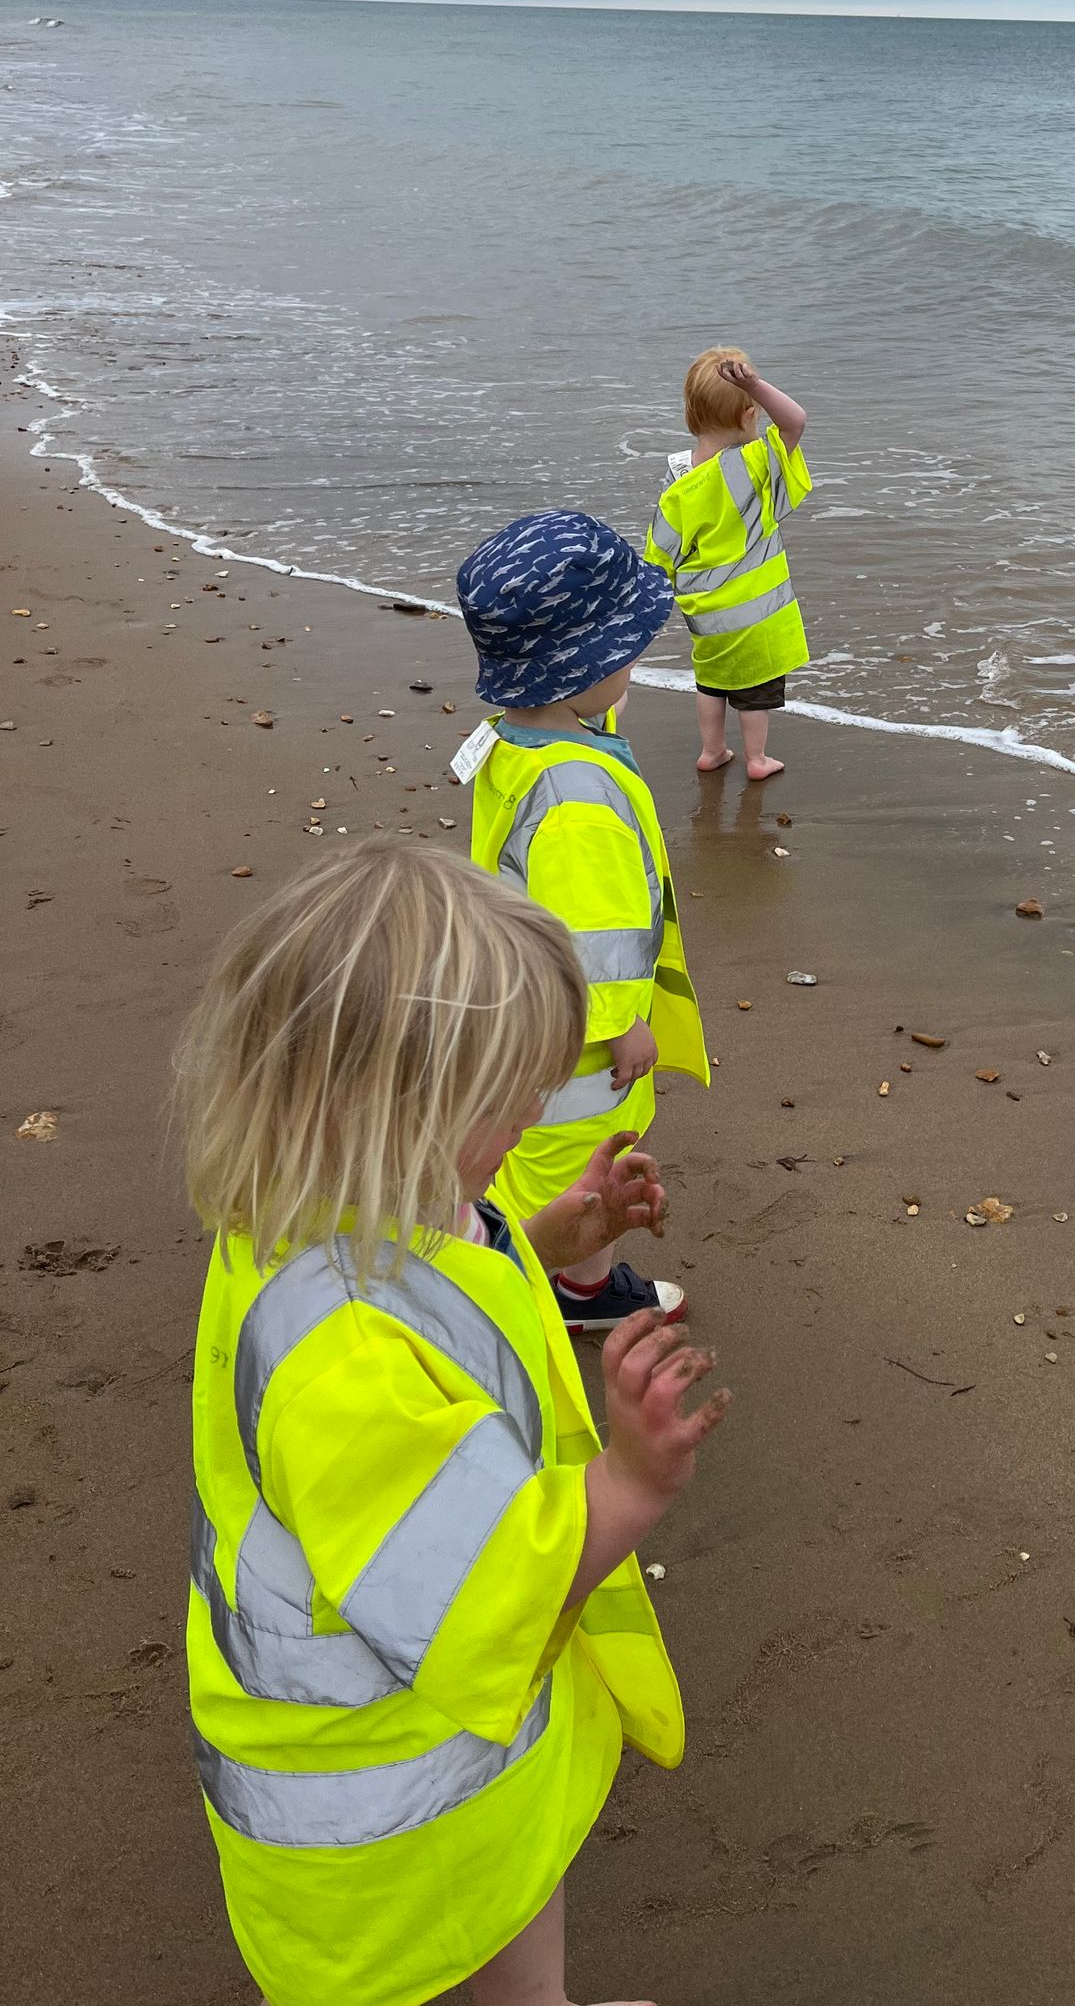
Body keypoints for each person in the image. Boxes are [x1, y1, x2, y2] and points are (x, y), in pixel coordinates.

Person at [180, 839, 730, 2006]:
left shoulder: (356, 1202)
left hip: (442, 1753)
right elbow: (483, 1584)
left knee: (514, 1909)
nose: (538, 1106)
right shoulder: (339, 1361)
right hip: (389, 1801)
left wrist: (555, 1242)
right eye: (510, 1091)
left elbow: (439, 1297)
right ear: (394, 1113)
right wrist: (629, 1484)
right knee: (464, 1943)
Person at [455, 508, 708, 1330]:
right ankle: (563, 1295)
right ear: (581, 669)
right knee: (584, 1173)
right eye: (623, 652)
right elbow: (591, 938)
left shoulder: (519, 743)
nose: (633, 664)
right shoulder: (578, 801)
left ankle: (536, 1275)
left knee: (532, 1162)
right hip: (583, 1053)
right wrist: (619, 1027)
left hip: (528, 1024)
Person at [646, 347, 811, 779]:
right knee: (756, 690)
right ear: (747, 416)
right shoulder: (756, 463)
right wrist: (754, 385)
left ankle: (711, 751)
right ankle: (757, 759)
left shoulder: (679, 474)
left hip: (706, 612)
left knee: (711, 682)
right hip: (758, 613)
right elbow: (795, 420)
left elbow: (661, 547)